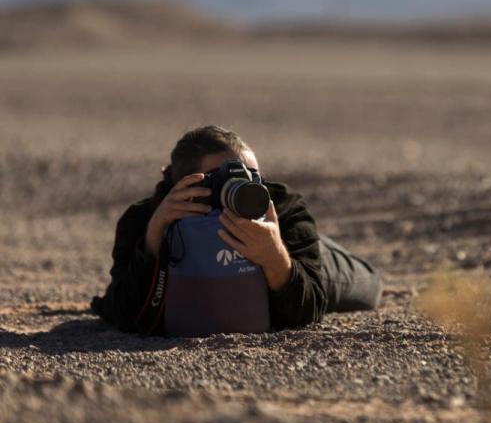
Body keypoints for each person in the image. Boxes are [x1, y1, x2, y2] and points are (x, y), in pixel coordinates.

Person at [91, 125, 382, 335]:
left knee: (368, 289)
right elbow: (125, 313)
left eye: (252, 177)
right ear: (186, 185)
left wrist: (274, 255)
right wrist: (155, 237)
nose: (244, 188)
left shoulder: (279, 205)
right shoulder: (146, 219)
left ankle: (322, 246)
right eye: (225, 180)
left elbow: (308, 311)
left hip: (298, 253)